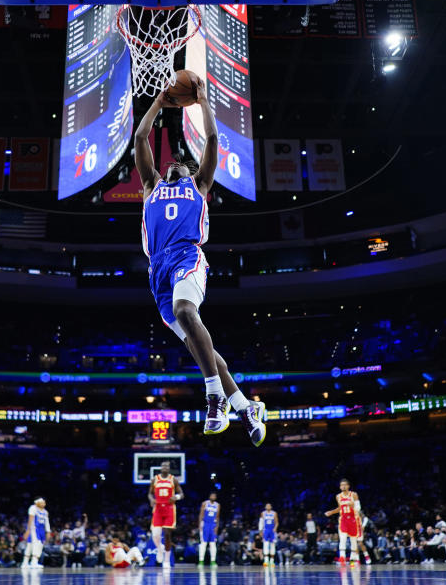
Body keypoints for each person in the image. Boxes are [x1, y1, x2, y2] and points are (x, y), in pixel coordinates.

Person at [133, 82, 266, 446]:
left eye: (179, 162)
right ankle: (244, 406)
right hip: (157, 270)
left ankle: (215, 398)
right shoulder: (150, 185)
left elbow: (210, 139)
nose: (172, 163)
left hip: (187, 257)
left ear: (190, 171)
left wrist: (204, 100)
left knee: (186, 311)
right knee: (198, 346)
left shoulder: (200, 184)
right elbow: (140, 138)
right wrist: (159, 100)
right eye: (170, 162)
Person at [149, 461, 183, 568]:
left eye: (167, 466)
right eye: (163, 465)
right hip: (158, 508)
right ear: (160, 467)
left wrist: (176, 497)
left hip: (169, 509)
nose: (165, 467)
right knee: (155, 535)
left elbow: (182, 494)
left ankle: (167, 560)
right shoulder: (155, 479)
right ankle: (160, 549)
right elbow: (149, 493)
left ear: (169, 468)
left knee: (167, 535)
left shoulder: (173, 479)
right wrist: (151, 500)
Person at [324, 479, 364, 565]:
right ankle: (342, 558)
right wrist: (331, 512)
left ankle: (352, 561)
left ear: (348, 486)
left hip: (353, 520)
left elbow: (358, 508)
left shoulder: (354, 494)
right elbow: (339, 508)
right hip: (343, 520)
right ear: (340, 487)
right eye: (342, 485)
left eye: (345, 485)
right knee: (343, 539)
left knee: (353, 541)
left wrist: (352, 505)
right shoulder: (338, 496)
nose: (343, 486)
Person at [21, 497, 50, 569]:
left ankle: (31, 562)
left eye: (44, 502)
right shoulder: (33, 508)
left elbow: (47, 523)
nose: (44, 503)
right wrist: (28, 530)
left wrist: (48, 531)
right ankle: (28, 562)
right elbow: (30, 520)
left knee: (38, 545)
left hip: (41, 530)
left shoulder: (45, 512)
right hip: (34, 529)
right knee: (33, 545)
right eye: (42, 502)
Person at [198, 492, 221, 565]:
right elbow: (201, 514)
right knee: (203, 543)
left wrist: (217, 526)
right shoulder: (205, 503)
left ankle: (213, 561)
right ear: (209, 496)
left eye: (214, 496)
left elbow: (217, 517)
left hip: (213, 525)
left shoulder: (217, 505)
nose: (213, 497)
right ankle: (201, 561)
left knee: (213, 543)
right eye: (212, 495)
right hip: (205, 524)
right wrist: (200, 525)